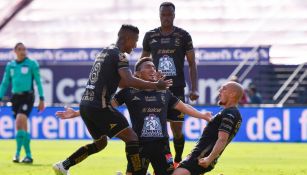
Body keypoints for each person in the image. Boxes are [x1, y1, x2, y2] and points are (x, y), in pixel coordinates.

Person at [55, 57, 211, 175]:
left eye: (154, 67)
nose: (153, 70)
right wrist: (76, 113)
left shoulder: (164, 92)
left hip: (162, 146)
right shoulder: (128, 92)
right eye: (148, 67)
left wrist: (203, 115)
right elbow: (103, 108)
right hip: (139, 146)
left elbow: (185, 107)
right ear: (137, 73)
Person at [52, 24, 172, 175]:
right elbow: (127, 81)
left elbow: (121, 82)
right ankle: (138, 172)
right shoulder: (120, 55)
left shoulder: (105, 51)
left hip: (86, 106)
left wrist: (77, 112)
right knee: (132, 137)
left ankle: (64, 165)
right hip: (100, 106)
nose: (135, 45)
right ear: (127, 39)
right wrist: (156, 85)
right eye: (135, 41)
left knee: (101, 143)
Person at [140, 2, 199, 166]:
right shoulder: (150, 36)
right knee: (159, 129)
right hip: (157, 88)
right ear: (159, 15)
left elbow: (192, 63)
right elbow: (142, 62)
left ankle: (179, 160)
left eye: (169, 14)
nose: (166, 18)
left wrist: (194, 88)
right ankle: (167, 163)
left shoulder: (183, 35)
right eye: (163, 15)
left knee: (177, 130)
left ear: (174, 15)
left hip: (177, 88)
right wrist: (141, 83)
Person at [172, 82, 243, 175]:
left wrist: (209, 158)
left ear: (232, 94)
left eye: (224, 88)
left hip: (200, 157)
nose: (219, 90)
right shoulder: (231, 113)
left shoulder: (229, 113)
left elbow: (222, 139)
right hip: (203, 157)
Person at [0, 42, 45, 163]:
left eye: (24, 49)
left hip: (28, 97)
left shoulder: (31, 64)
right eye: (20, 49)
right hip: (15, 98)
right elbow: (5, 83)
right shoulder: (11, 65)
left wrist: (42, 98)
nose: (22, 51)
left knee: (20, 119)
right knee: (21, 126)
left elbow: (38, 82)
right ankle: (28, 155)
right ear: (14, 51)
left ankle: (17, 153)